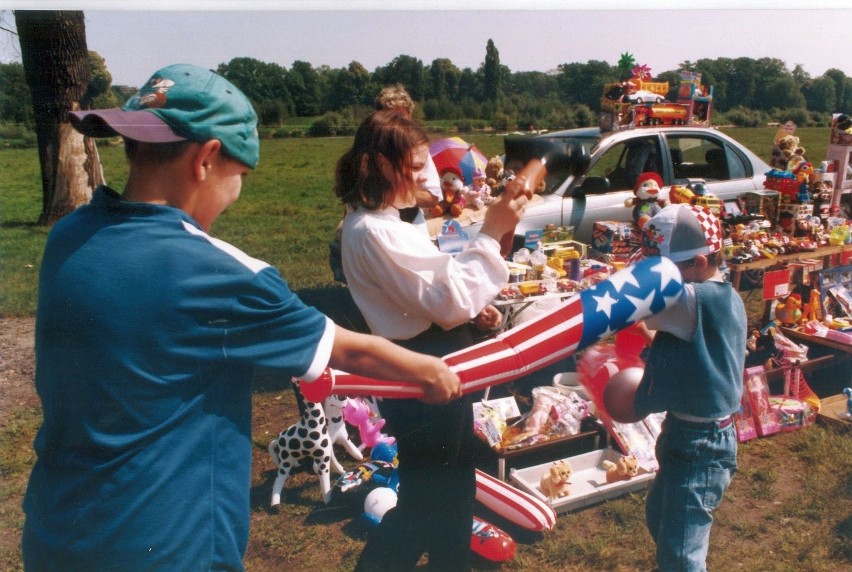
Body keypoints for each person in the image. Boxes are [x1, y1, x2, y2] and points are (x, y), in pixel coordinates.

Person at [21, 64, 461, 572]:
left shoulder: (70, 237)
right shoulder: (220, 274)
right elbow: (347, 348)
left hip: (58, 532)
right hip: (166, 545)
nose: (236, 196)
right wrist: (432, 372)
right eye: (241, 178)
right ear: (207, 159)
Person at [334, 110, 528, 571]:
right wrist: (493, 228)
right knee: (426, 501)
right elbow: (446, 298)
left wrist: (465, 315)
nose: (426, 175)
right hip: (422, 371)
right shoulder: (373, 231)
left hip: (433, 358)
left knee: (455, 487)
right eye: (417, 165)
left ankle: (451, 563)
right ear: (384, 164)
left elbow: (430, 296)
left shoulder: (388, 223)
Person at [632, 204, 747, 571]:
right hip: (687, 431)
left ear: (698, 263)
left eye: (662, 272)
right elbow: (670, 334)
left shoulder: (692, 299)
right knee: (662, 519)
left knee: (682, 551)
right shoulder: (718, 294)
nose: (655, 280)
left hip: (703, 442)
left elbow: (634, 302)